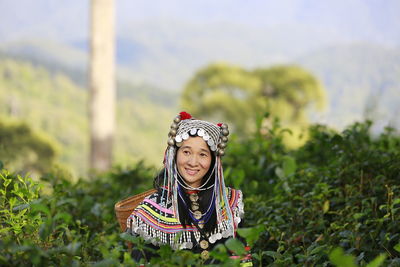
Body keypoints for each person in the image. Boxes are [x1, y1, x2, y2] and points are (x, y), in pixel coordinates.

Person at [126, 111, 252, 265]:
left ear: (213, 161)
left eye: (203, 154)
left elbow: (242, 258)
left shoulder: (230, 203)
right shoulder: (152, 209)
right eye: (186, 152)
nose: (193, 162)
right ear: (175, 154)